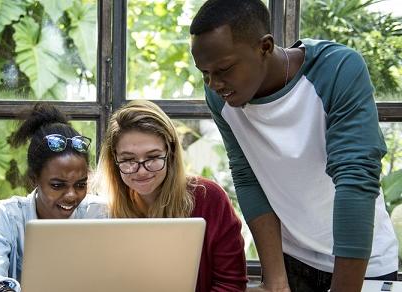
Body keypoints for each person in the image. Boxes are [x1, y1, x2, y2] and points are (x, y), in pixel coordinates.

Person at [189, 0, 398, 291]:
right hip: (291, 262)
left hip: (360, 264)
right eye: (204, 73)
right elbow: (247, 177)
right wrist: (276, 281)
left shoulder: (336, 69)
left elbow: (355, 179)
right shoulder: (222, 96)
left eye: (223, 69)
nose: (213, 83)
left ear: (264, 46)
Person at [95, 99, 247, 291]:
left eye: (152, 157)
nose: (141, 171)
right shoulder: (101, 210)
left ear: (171, 153)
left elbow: (231, 284)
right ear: (114, 160)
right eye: (128, 160)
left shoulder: (209, 198)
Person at [0, 103, 107, 292]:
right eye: (57, 185)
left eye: (80, 185)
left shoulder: (100, 213)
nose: (71, 195)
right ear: (35, 179)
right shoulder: (8, 215)